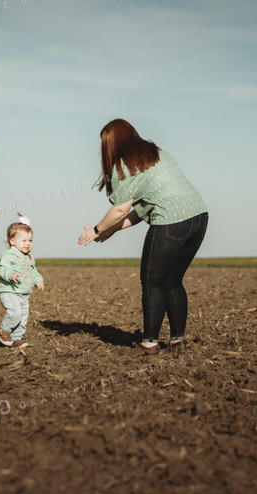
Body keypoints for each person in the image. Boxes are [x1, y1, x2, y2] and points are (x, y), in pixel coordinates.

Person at [78, 119, 208, 357]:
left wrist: (95, 230)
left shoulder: (123, 168)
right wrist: (113, 230)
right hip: (198, 218)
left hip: (171, 222)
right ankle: (178, 342)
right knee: (173, 281)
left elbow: (119, 210)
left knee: (152, 282)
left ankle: (149, 343)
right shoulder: (157, 155)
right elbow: (141, 210)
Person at [0, 216, 44, 349]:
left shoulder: (29, 257)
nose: (28, 243)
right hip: (9, 291)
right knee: (15, 312)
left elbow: (33, 272)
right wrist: (10, 274)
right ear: (12, 241)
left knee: (22, 319)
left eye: (30, 240)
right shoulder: (8, 255)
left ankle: (16, 339)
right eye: (24, 240)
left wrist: (38, 280)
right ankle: (3, 331)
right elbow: (1, 268)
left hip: (24, 293)